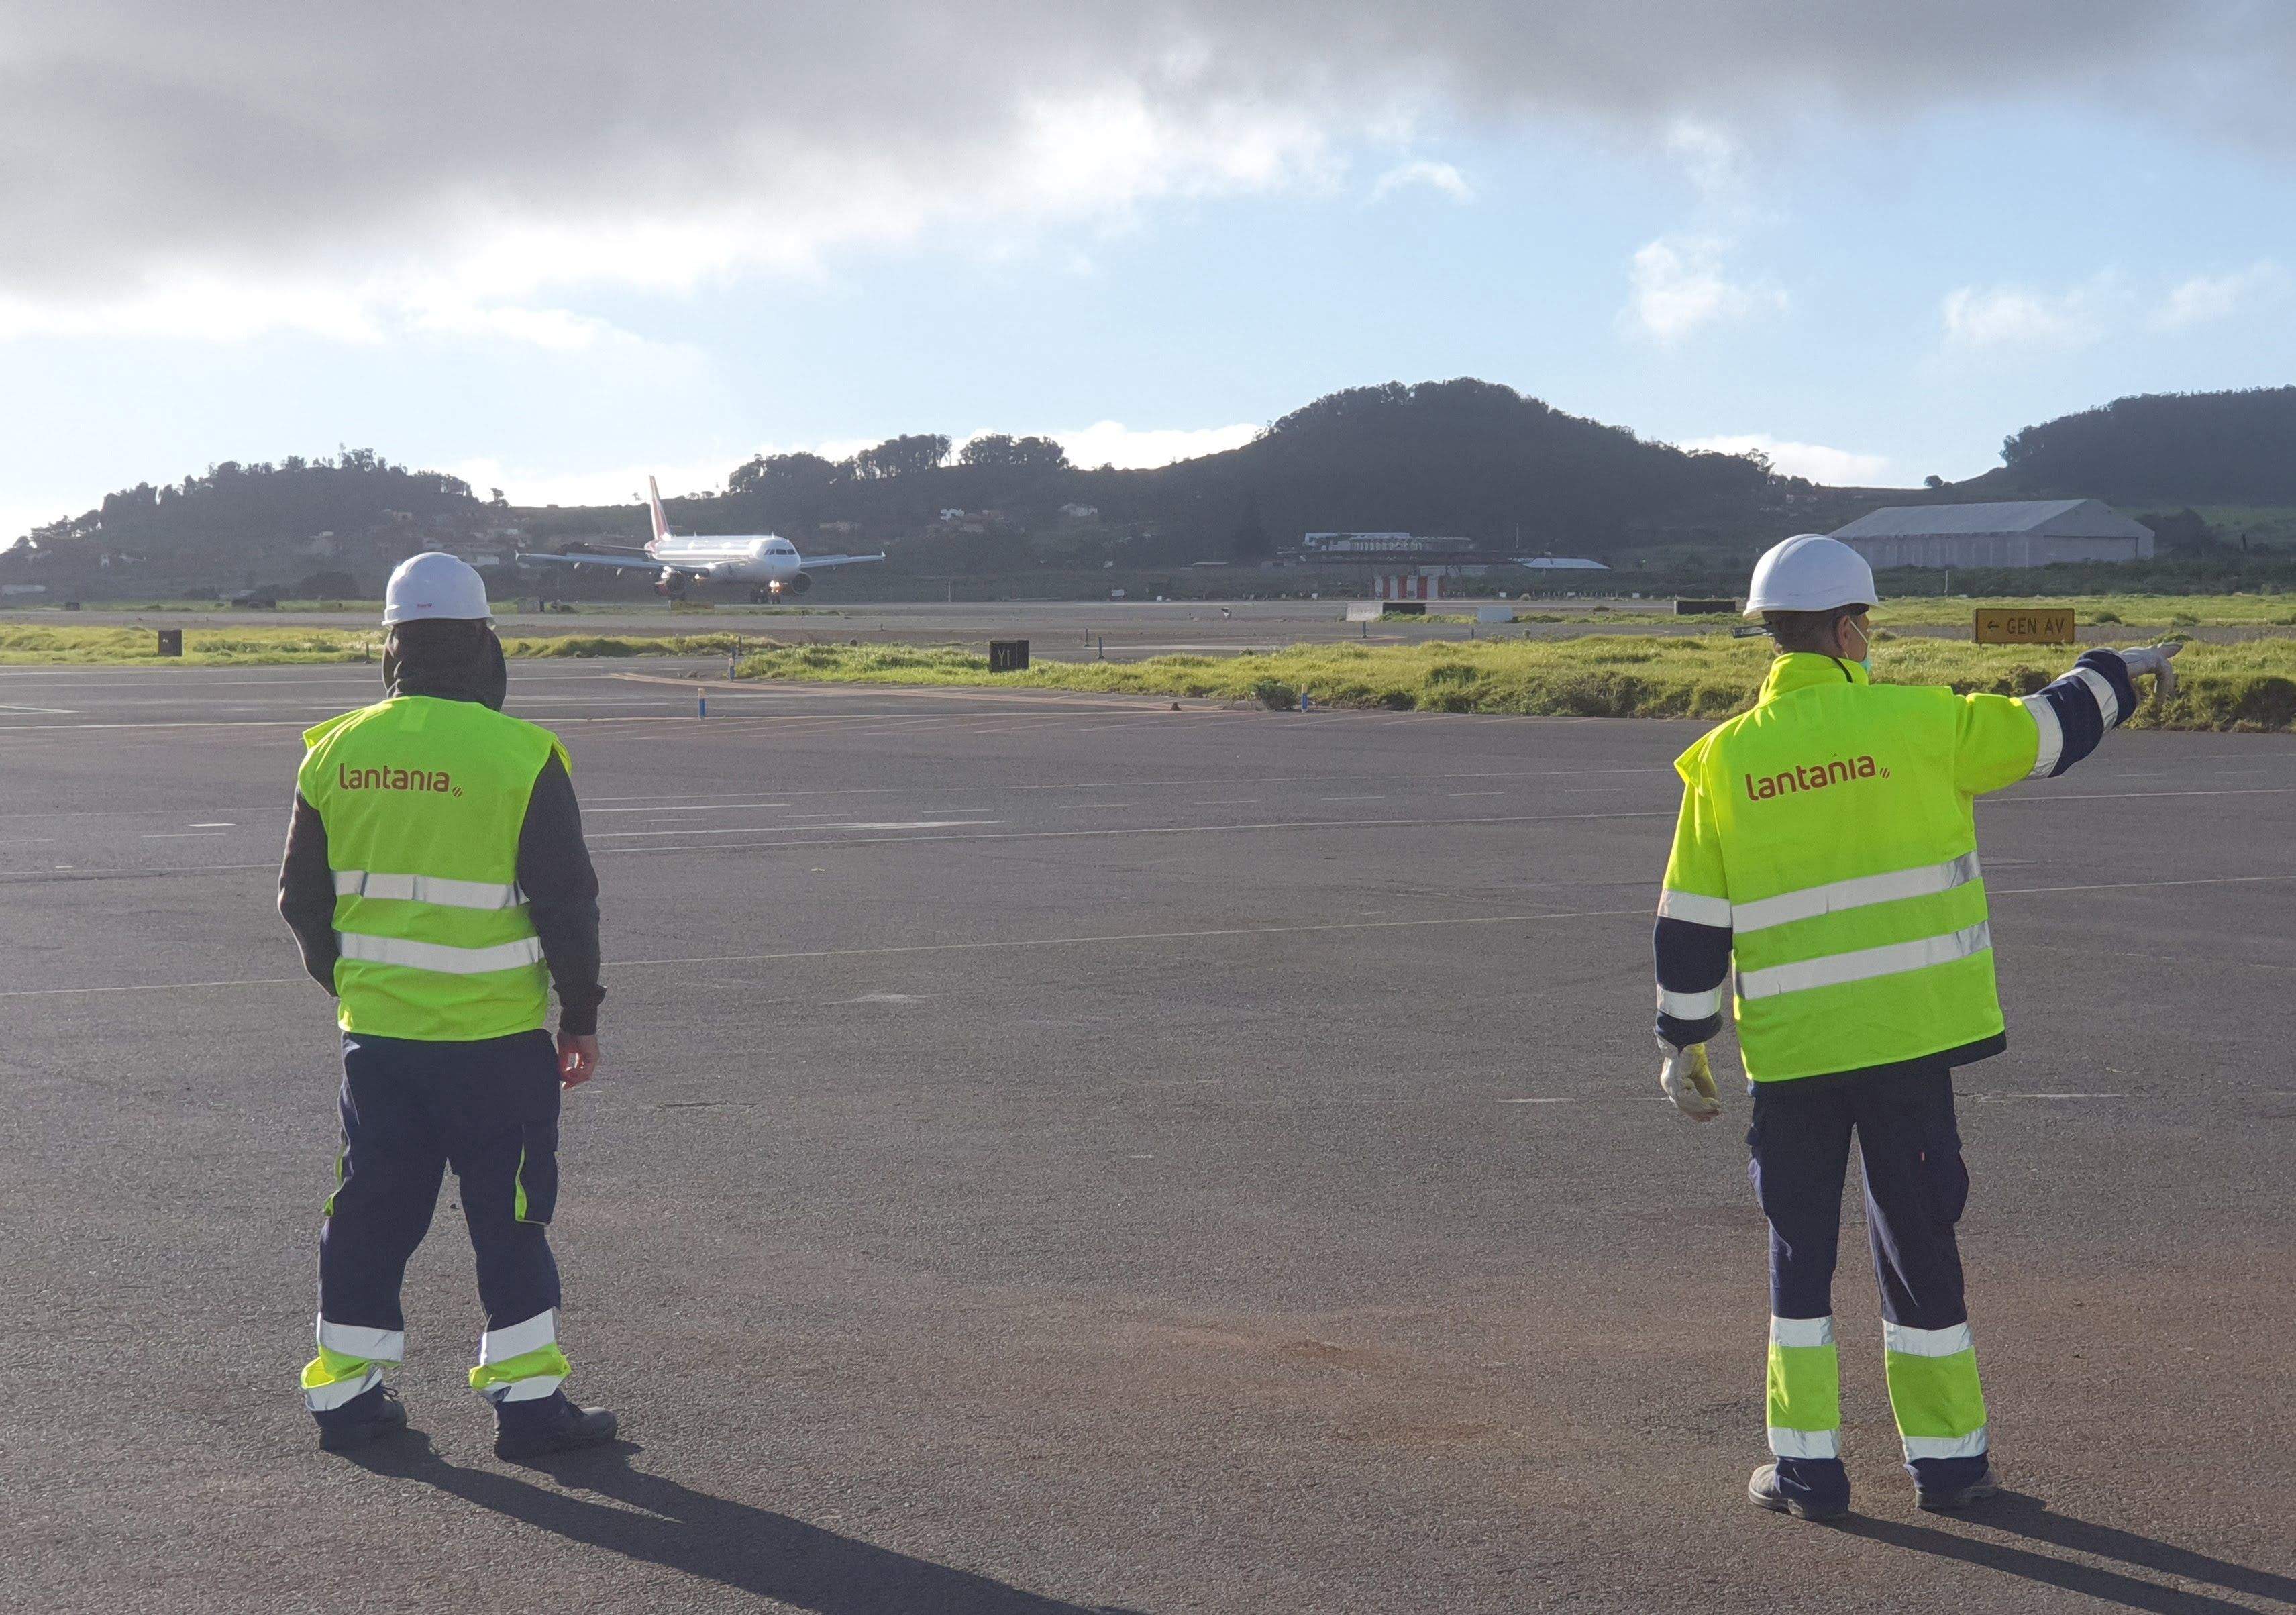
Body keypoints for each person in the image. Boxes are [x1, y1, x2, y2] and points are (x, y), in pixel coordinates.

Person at [1650, 533, 2179, 1520]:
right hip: (1904, 1047)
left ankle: (1806, 1472)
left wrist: (1683, 1042)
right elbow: (2049, 731)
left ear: (1770, 632)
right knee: (1918, 1249)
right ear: (1852, 628)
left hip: (1793, 1060)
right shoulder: (1922, 724)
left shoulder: (1722, 760)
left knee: (1798, 1261)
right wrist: (2113, 672)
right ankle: (1948, 1469)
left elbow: (1689, 920)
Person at [278, 551, 617, 1459]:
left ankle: (346, 1401)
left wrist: (358, 987)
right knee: (510, 1222)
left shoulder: (336, 748)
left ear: (390, 646)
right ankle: (529, 1408)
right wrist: (579, 1016)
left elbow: (301, 903)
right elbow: (564, 902)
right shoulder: (520, 756)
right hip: (495, 1046)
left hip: (380, 1044)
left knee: (368, 1215)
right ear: (481, 643)